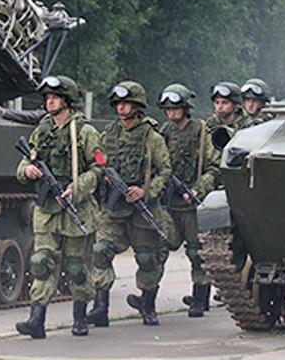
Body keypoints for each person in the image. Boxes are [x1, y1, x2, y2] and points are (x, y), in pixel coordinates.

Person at [15, 75, 102, 339]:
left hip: (76, 208)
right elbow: (24, 162)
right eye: (47, 98)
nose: (49, 101)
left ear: (66, 101)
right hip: (47, 209)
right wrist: (27, 170)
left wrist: (77, 188)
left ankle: (80, 316)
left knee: (76, 266)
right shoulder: (41, 131)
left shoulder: (85, 132)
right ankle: (36, 319)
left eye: (54, 97)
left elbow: (99, 168)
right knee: (41, 262)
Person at [89, 81, 172, 326]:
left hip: (141, 206)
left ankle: (148, 305)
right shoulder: (109, 134)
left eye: (127, 104)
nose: (122, 108)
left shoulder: (151, 137)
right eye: (119, 104)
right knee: (100, 251)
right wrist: (102, 174)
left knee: (147, 257)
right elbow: (99, 160)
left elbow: (165, 170)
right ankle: (100, 308)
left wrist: (145, 190)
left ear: (137, 106)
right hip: (114, 208)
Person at [157, 84, 221, 317]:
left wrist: (197, 189)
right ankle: (148, 299)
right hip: (168, 201)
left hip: (192, 202)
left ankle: (200, 298)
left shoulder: (201, 132)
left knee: (196, 252)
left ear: (185, 108)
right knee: (159, 248)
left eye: (176, 108)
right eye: (168, 109)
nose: (171, 113)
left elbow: (214, 167)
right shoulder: (163, 133)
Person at [205, 81, 245, 148]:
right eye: (217, 102)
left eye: (225, 103)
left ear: (234, 104)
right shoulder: (209, 126)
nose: (220, 107)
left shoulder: (246, 126)